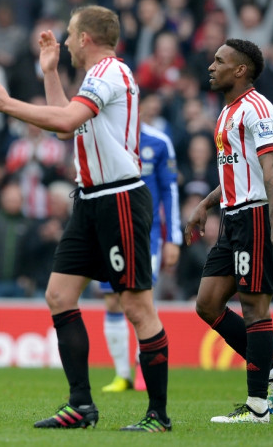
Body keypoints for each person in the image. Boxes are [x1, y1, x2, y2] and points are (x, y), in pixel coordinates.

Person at [0, 5, 171, 432]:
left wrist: (7, 105)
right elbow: (67, 129)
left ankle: (158, 414)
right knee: (60, 296)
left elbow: (65, 120)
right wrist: (49, 72)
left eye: (68, 34)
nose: (63, 41)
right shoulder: (95, 79)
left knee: (137, 308)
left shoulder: (111, 73)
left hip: (119, 198)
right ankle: (80, 405)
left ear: (85, 38)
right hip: (89, 200)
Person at [184, 38, 273, 423]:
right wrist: (205, 204)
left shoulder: (258, 108)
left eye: (220, 61)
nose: (211, 66)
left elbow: (271, 170)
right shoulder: (227, 112)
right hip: (231, 218)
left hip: (255, 216)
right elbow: (238, 170)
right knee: (207, 304)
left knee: (253, 308)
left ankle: (258, 407)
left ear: (241, 70)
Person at [99, 124, 182, 393]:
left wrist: (173, 238)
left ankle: (143, 370)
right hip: (110, 229)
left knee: (141, 300)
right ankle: (122, 374)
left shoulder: (158, 142)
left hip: (147, 234)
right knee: (112, 299)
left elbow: (170, 190)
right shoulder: (106, 133)